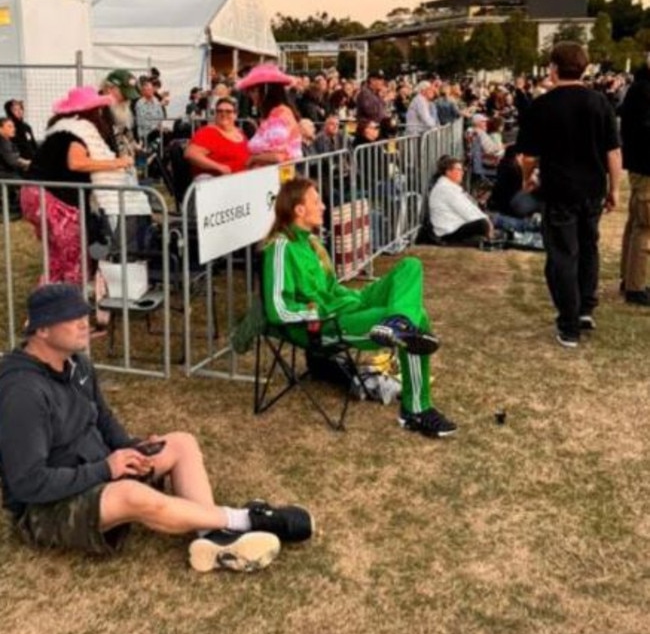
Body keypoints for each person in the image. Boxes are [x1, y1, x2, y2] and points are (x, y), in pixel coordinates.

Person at [0, 284, 312, 572]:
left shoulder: (76, 364)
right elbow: (29, 483)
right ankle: (245, 519)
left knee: (181, 443)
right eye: (71, 318)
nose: (85, 322)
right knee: (131, 494)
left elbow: (103, 419)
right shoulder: (23, 392)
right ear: (41, 329)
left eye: (85, 313)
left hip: (96, 471)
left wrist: (130, 448)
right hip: (46, 507)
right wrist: (106, 469)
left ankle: (214, 539)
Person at [262, 177, 457, 439]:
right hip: (322, 326)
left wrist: (353, 297)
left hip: (346, 305)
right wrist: (322, 312)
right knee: (418, 320)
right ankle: (416, 409)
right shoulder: (280, 248)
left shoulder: (311, 243)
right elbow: (278, 310)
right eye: (317, 201)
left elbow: (331, 289)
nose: (323, 206)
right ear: (298, 209)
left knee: (411, 266)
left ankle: (397, 323)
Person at [516, 42, 621, 347]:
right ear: (585, 68)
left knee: (563, 254)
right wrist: (614, 188)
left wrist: (526, 179)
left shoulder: (543, 105)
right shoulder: (599, 102)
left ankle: (569, 323)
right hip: (591, 188)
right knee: (589, 247)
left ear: (553, 68)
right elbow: (613, 153)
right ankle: (585, 308)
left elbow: (529, 156)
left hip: (559, 188)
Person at [20, 87, 134, 284]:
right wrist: (117, 163)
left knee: (56, 255)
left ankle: (50, 302)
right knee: (73, 255)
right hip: (54, 198)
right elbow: (77, 162)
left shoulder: (60, 129)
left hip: (34, 194)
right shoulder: (77, 132)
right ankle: (70, 304)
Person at [618, 55, 650, 306]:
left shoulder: (638, 89)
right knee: (644, 227)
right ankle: (635, 286)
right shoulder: (644, 92)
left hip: (639, 164)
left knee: (635, 223)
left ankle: (628, 278)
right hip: (645, 165)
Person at [235, 63, 302, 162]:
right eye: (249, 92)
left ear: (266, 91)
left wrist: (253, 159)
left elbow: (278, 156)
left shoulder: (280, 114)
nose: (251, 96)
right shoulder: (274, 114)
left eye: (254, 91)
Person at [428, 156, 491, 244]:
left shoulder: (450, 186)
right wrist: (487, 222)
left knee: (486, 219)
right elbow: (467, 212)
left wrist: (486, 218)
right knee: (482, 224)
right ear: (448, 172)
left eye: (462, 169)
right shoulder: (445, 189)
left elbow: (470, 208)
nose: (462, 172)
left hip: (456, 225)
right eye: (459, 169)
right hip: (448, 232)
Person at [184, 97, 252, 177]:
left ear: (235, 114)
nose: (223, 114)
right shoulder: (208, 132)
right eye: (220, 111)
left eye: (228, 111)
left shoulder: (240, 132)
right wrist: (219, 167)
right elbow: (191, 154)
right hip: (218, 181)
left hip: (243, 178)